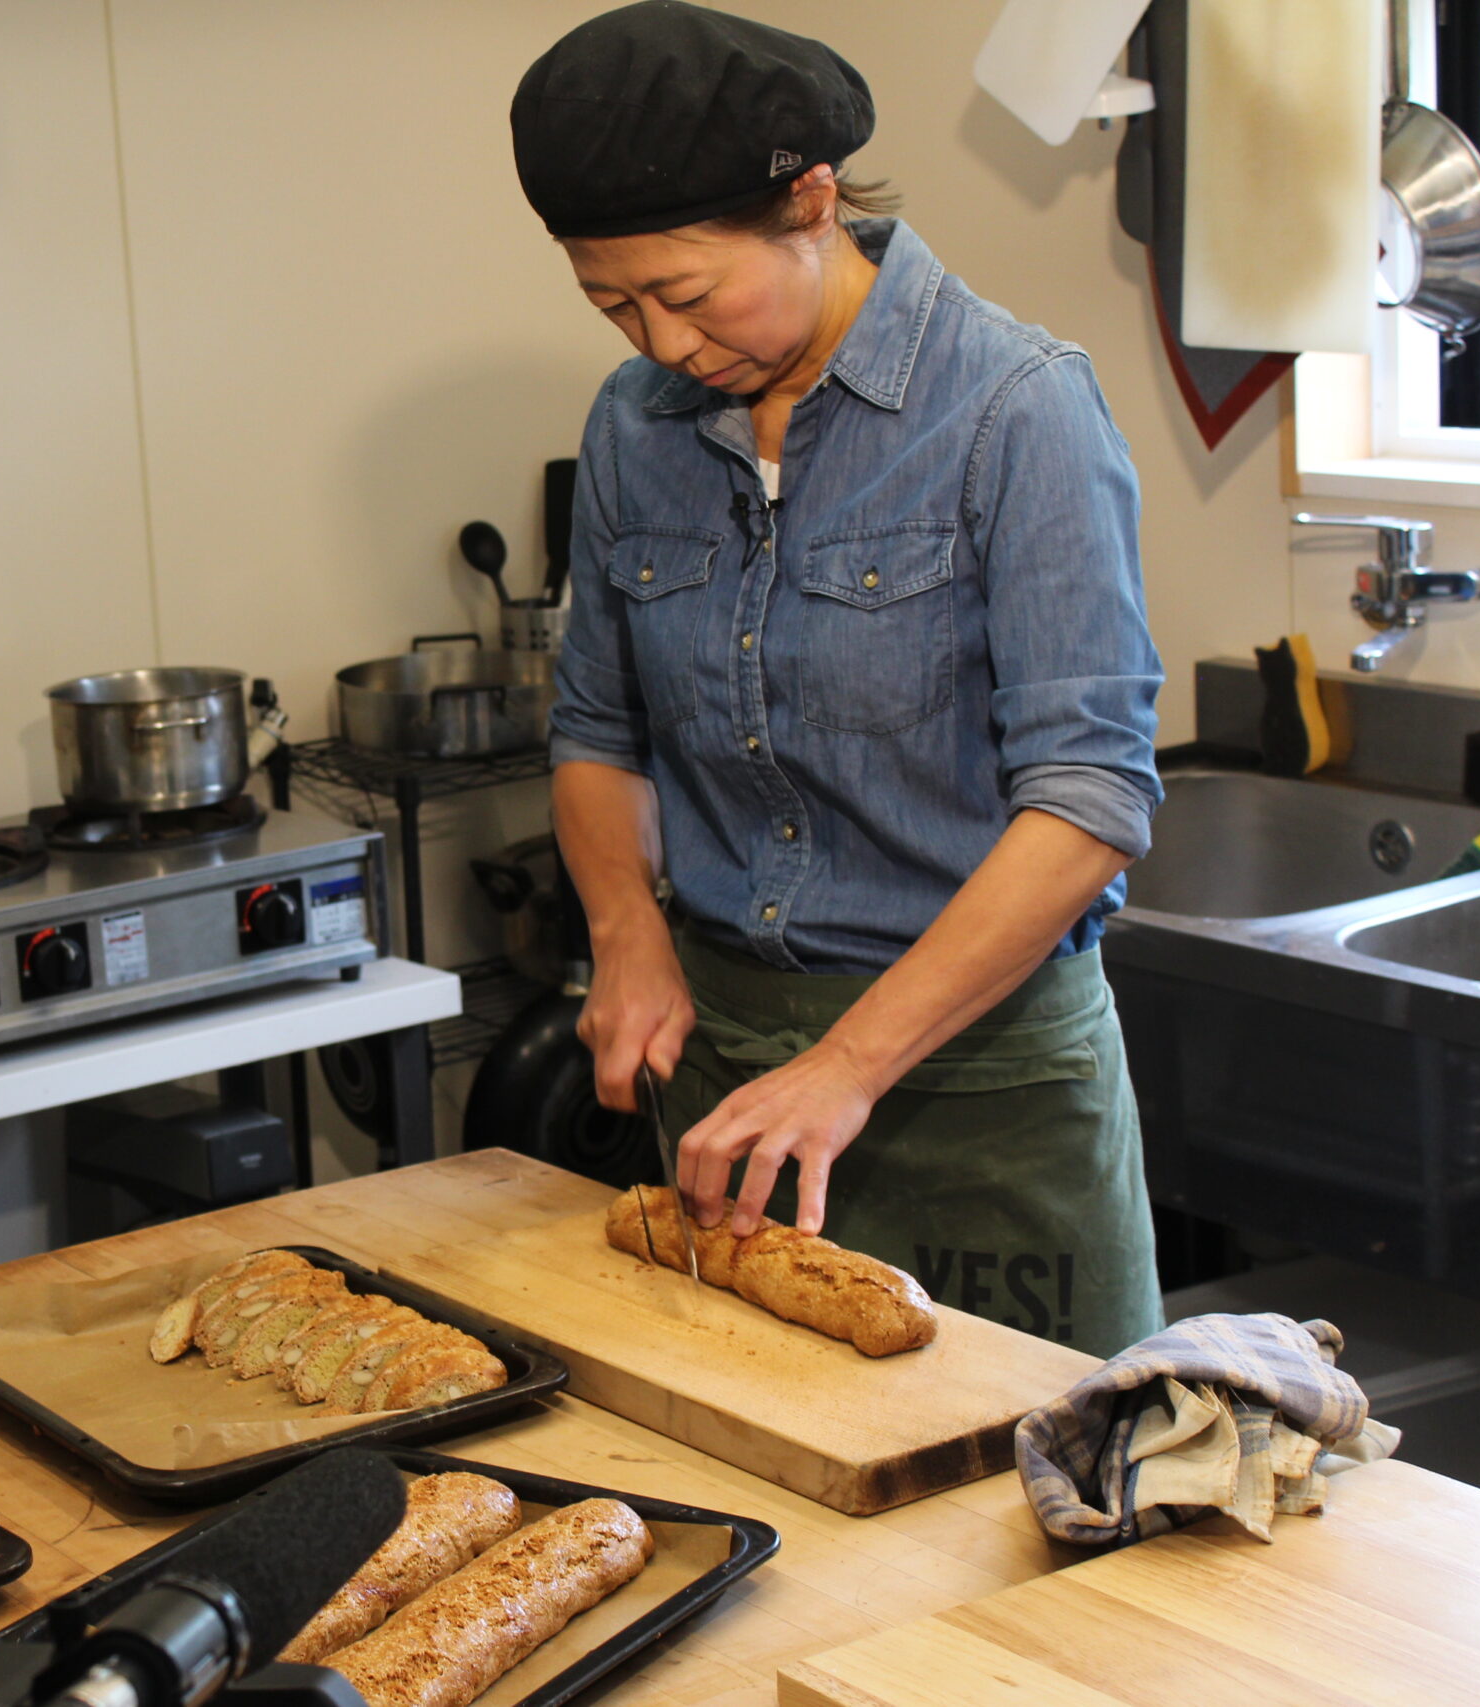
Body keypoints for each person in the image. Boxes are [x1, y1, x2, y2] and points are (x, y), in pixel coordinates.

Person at [511, 1, 1166, 1353]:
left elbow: (1091, 802)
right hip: (730, 1079)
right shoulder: (636, 429)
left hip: (981, 1087)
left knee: (1044, 1510)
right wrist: (627, 936)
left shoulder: (1015, 409)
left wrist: (851, 1065)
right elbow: (596, 728)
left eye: (686, 296)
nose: (661, 347)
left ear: (811, 200)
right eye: (611, 303)